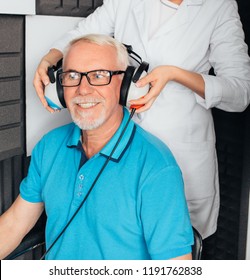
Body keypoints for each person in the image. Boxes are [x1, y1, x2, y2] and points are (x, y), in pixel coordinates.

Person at [33, 0, 250, 240]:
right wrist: (49, 58)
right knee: (120, 239)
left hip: (182, 153)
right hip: (123, 150)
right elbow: (82, 35)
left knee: (172, 244)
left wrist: (175, 74)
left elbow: (240, 93)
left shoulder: (219, 6)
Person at [0, 34, 193, 260]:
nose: (83, 90)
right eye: (72, 75)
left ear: (125, 85)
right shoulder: (49, 147)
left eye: (99, 75)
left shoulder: (157, 168)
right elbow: (13, 225)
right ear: (60, 89)